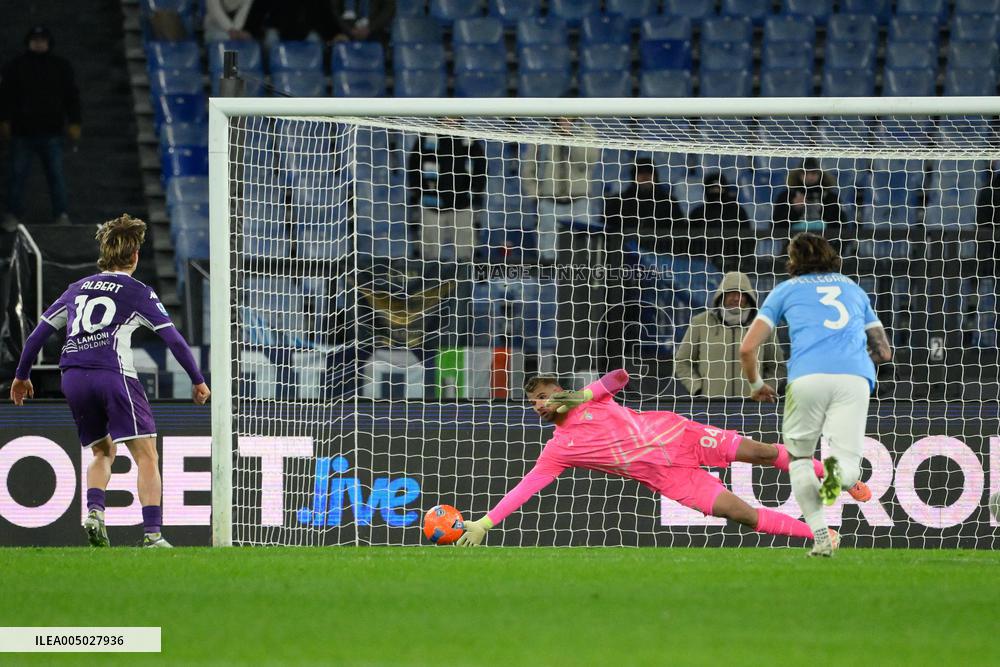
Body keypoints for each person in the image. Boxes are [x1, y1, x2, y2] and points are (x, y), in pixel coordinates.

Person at [457, 369, 871, 548]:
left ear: (559, 392)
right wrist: (484, 522)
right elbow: (526, 488)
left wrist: (582, 394)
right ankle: (820, 536)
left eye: (544, 396)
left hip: (682, 436)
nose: (539, 405)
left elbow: (620, 377)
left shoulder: (591, 398)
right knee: (741, 513)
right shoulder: (557, 449)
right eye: (533, 402)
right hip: (669, 479)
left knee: (762, 452)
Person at [9, 215, 210, 548]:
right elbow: (172, 339)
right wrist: (198, 379)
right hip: (111, 373)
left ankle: (95, 512)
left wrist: (21, 375)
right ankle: (152, 535)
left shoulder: (76, 289)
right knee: (146, 454)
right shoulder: (137, 292)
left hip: (72, 375)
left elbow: (37, 335)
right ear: (134, 257)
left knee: (103, 451)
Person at [739, 232, 892, 557]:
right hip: (854, 378)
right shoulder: (853, 289)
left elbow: (748, 348)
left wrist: (756, 385)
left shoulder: (785, 291)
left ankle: (822, 537)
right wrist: (852, 362)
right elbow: (884, 351)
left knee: (800, 461)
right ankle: (839, 475)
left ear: (793, 260)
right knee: (846, 462)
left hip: (807, 378)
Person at [0, 26, 81, 228]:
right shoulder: (15, 66)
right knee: (17, 177)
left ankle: (61, 214)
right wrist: (5, 120)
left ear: (48, 42)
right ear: (29, 42)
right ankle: (12, 214)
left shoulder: (61, 66)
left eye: (42, 40)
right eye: (35, 40)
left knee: (56, 176)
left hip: (51, 131)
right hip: (22, 132)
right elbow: (6, 97)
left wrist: (75, 121)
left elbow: (72, 97)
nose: (39, 43)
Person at [675, 271, 784, 398]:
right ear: (722, 295)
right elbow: (682, 361)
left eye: (742, 294)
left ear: (749, 297)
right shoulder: (701, 323)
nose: (736, 298)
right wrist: (698, 388)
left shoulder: (762, 325)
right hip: (711, 408)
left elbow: (777, 366)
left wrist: (764, 389)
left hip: (751, 408)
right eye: (732, 293)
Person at [522, 118, 601, 264]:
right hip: (549, 201)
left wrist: (571, 136)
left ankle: (581, 284)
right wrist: (535, 195)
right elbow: (528, 167)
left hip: (579, 201)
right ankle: (549, 284)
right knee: (548, 250)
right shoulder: (541, 133)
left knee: (582, 250)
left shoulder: (586, 131)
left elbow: (588, 160)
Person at [406, 128, 486, 265]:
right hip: (432, 204)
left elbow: (481, 165)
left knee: (465, 253)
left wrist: (474, 189)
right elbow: (414, 165)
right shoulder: (426, 138)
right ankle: (429, 283)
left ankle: (464, 281)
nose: (450, 119)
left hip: (462, 204)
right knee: (429, 253)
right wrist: (420, 191)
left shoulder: (469, 139)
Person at [602, 157, 683, 258]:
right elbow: (607, 230)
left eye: (649, 172)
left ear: (655, 176)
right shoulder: (617, 203)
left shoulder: (669, 203)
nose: (645, 176)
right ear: (634, 176)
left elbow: (680, 232)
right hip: (624, 258)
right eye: (640, 172)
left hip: (662, 257)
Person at [771, 159, 846, 251]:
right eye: (806, 173)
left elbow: (841, 227)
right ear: (799, 174)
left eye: (814, 173)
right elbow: (776, 228)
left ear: (820, 175)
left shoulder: (831, 198)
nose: (809, 177)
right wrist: (794, 209)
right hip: (794, 248)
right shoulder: (786, 197)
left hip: (824, 247)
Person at [686, 171, 753, 272]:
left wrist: (739, 263)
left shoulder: (737, 212)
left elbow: (747, 239)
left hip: (733, 266)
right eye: (712, 188)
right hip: (702, 267)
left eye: (719, 188)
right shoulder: (697, 214)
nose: (716, 192)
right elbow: (689, 243)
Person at [322, 0, 395, 42]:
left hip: (375, 33)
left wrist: (370, 29)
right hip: (343, 33)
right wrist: (349, 30)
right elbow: (333, 9)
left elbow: (388, 10)